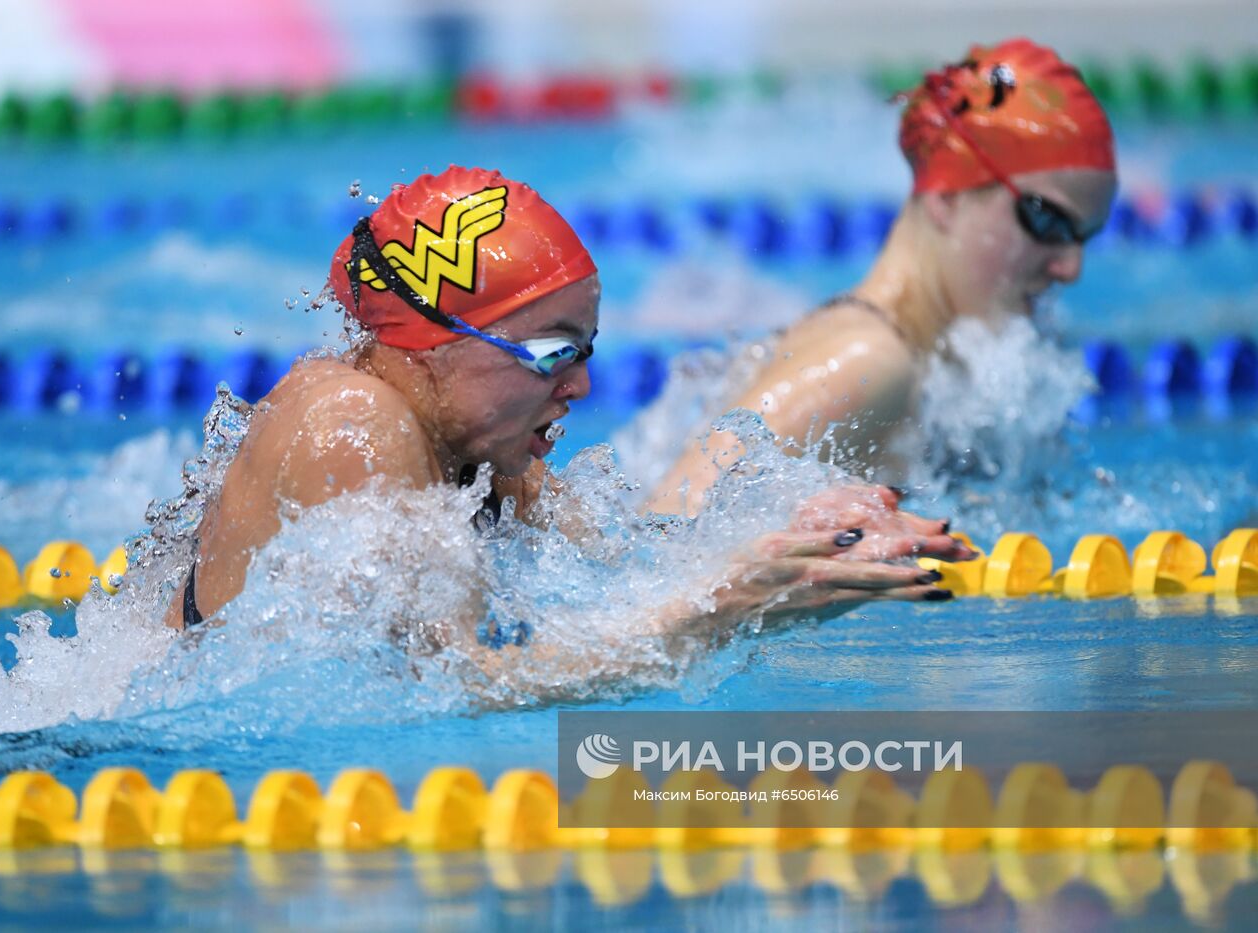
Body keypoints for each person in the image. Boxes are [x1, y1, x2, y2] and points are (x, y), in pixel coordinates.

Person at [169, 166, 971, 679]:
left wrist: (790, 555)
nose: (582, 386)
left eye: (586, 352)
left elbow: (628, 563)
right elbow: (458, 683)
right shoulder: (353, 423)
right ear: (433, 345)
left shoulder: (480, 454)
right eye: (552, 353)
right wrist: (717, 605)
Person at [644, 39, 1118, 516]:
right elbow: (662, 535)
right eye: (1048, 221)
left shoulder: (925, 355)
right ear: (948, 194)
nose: (1070, 267)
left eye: (1086, 235)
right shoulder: (869, 362)